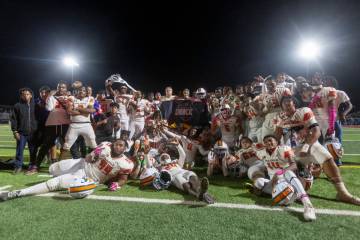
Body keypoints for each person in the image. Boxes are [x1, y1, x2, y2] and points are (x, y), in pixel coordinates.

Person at [274, 96, 360, 205]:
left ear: (294, 103)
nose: (286, 104)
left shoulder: (304, 111)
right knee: (300, 184)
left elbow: (316, 131)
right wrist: (278, 128)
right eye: (283, 103)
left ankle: (343, 193)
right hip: (292, 151)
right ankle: (304, 179)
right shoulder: (279, 117)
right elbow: (276, 137)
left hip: (308, 144)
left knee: (327, 157)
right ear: (281, 106)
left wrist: (305, 147)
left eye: (288, 102)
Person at [0, 139, 134, 201]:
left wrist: (117, 184)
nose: (117, 146)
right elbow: (87, 158)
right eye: (116, 143)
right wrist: (93, 154)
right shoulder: (105, 145)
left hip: (89, 178)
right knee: (53, 169)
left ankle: (17, 193)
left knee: (55, 183)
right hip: (81, 163)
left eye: (120, 145)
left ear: (125, 148)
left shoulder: (126, 163)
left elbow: (123, 179)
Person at [254, 135, 316, 221]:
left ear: (277, 142)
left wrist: (280, 172)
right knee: (258, 182)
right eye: (266, 142)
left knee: (288, 172)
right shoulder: (262, 153)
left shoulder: (283, 149)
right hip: (275, 183)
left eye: (270, 140)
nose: (268, 143)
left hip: (287, 179)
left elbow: (294, 165)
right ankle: (291, 194)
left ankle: (307, 204)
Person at [156, 139, 215, 204]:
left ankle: (201, 191)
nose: (164, 156)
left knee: (193, 178)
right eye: (163, 157)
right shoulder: (160, 167)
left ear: (169, 158)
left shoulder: (176, 163)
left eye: (166, 156)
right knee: (186, 185)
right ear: (160, 160)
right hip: (175, 176)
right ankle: (198, 194)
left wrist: (178, 145)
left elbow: (183, 155)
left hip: (183, 171)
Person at [61, 86, 97, 159]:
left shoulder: (90, 98)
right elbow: (69, 111)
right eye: (79, 90)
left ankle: (93, 162)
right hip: (74, 124)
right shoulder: (71, 98)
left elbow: (90, 111)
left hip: (87, 124)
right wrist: (84, 111)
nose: (81, 92)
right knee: (66, 145)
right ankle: (60, 164)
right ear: (76, 91)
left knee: (93, 143)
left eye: (83, 90)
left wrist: (77, 108)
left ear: (86, 92)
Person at [10, 88, 37, 174]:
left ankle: (32, 165)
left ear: (31, 95)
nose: (25, 96)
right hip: (21, 133)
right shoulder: (17, 106)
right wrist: (15, 131)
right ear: (21, 96)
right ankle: (18, 166)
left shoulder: (36, 105)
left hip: (33, 133)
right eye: (23, 94)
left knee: (33, 151)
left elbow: (39, 118)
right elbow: (14, 119)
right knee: (19, 150)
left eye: (27, 94)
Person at [26, 86, 51, 175]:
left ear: (49, 93)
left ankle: (50, 162)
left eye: (45, 92)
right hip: (37, 128)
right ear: (39, 93)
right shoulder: (35, 101)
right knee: (33, 146)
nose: (43, 94)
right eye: (42, 92)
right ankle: (32, 163)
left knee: (48, 146)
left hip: (49, 127)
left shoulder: (52, 101)